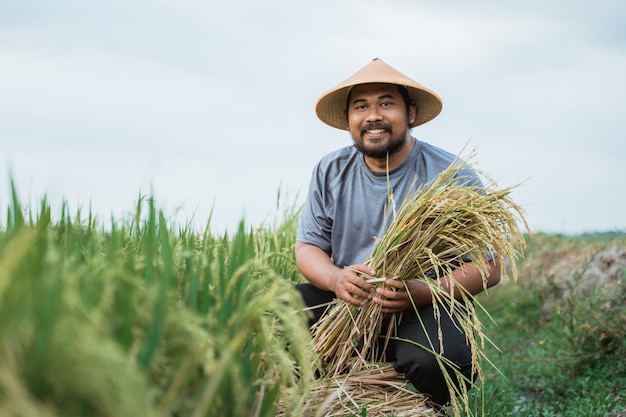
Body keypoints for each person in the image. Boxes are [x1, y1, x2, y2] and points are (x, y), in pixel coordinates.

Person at [295, 58, 502, 407]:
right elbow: (307, 247)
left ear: (412, 113)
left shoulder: (450, 174)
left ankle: (429, 410)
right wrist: (337, 280)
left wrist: (422, 292)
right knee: (273, 315)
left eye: (386, 103)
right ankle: (316, 404)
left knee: (442, 358)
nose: (373, 115)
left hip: (424, 307)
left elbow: (490, 267)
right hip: (348, 303)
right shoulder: (330, 169)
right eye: (361, 106)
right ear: (349, 119)